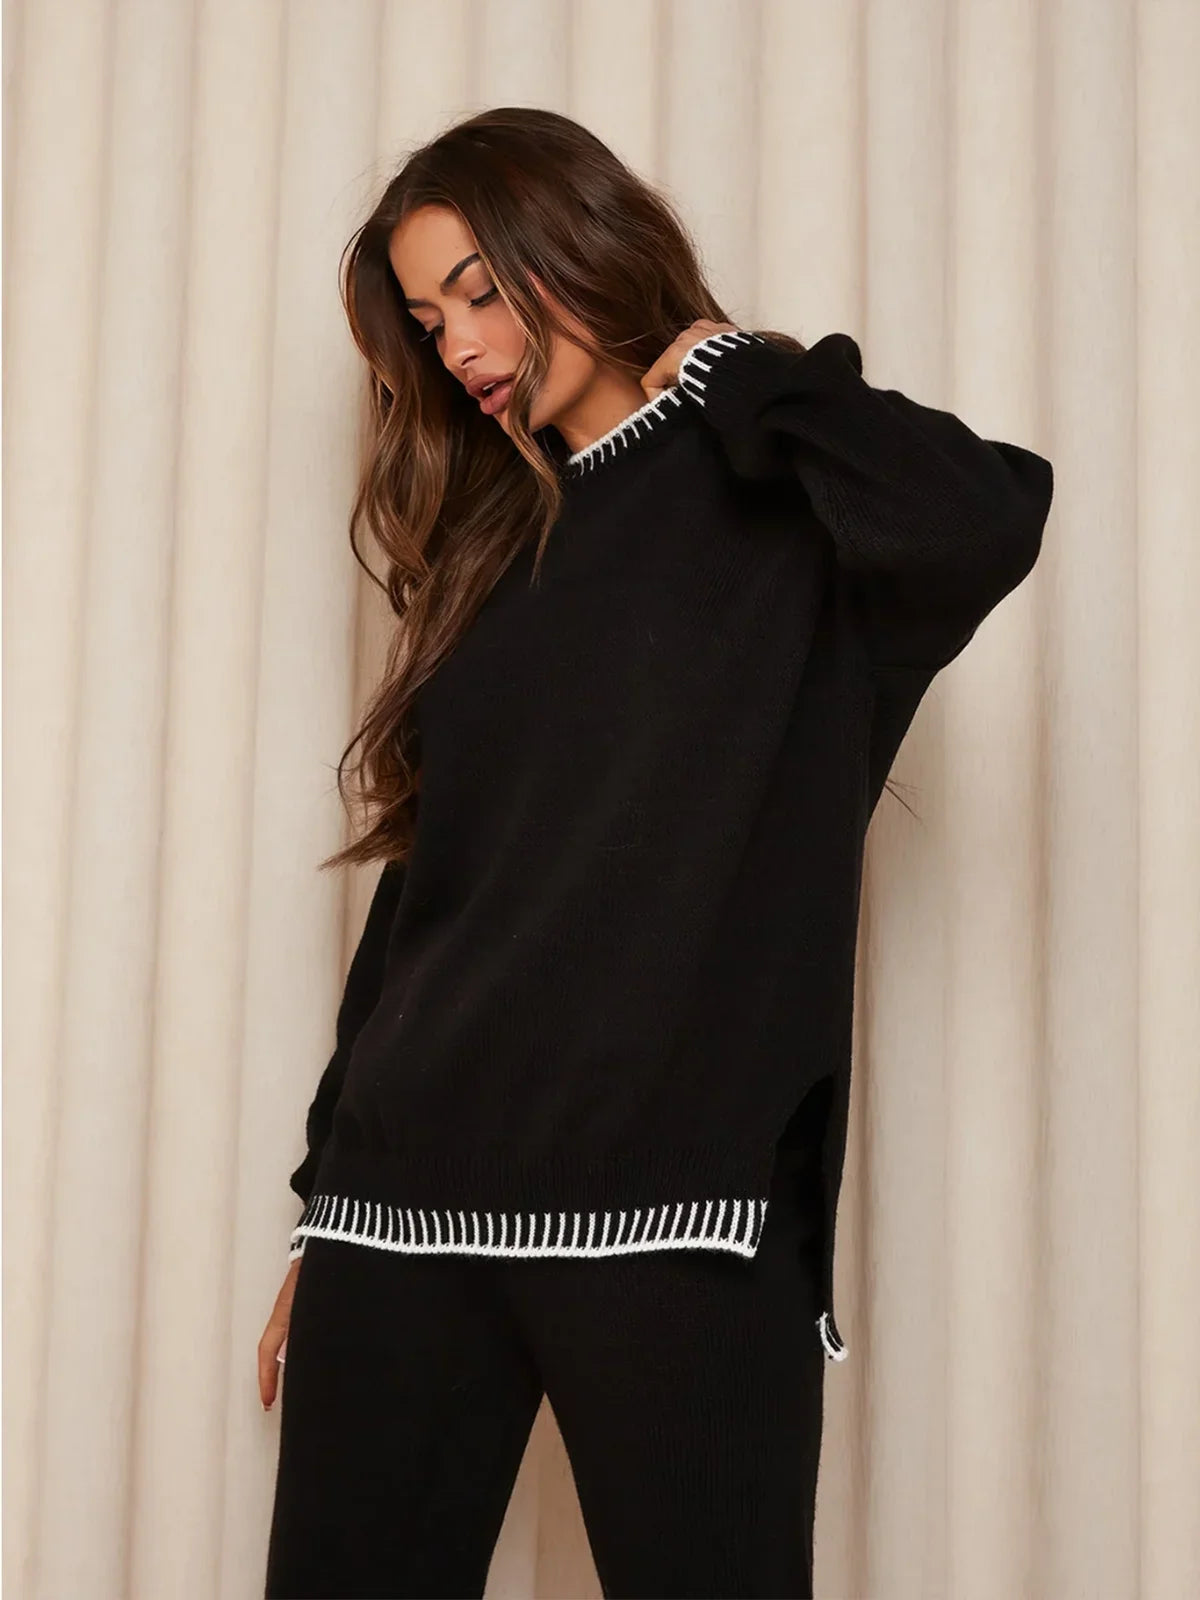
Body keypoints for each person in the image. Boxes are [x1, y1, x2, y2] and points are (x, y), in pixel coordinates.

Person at [258, 106, 1054, 1599]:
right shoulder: (488, 549)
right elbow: (436, 894)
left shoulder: (786, 496)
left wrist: (740, 371)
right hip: (400, 1206)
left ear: (581, 246)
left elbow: (983, 519)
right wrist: (326, 1201)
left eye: (481, 292)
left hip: (677, 1215)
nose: (461, 347)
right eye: (428, 324)